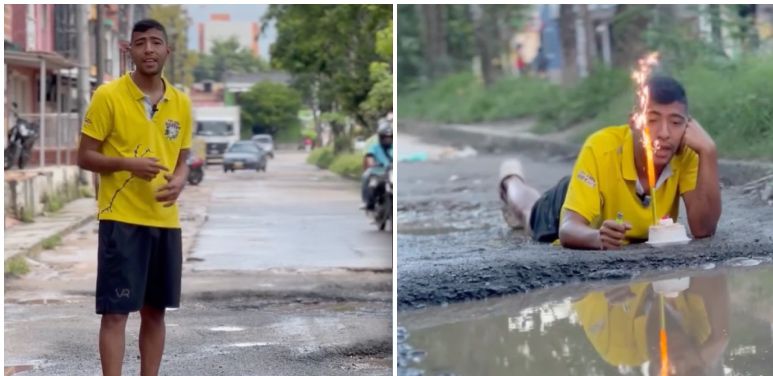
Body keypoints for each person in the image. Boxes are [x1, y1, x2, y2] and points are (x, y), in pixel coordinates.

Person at [77, 19, 192, 376]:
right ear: (129, 50)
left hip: (164, 221)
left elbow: (183, 158)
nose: (149, 49)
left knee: (155, 311)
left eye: (156, 42)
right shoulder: (107, 96)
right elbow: (85, 156)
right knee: (115, 312)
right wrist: (127, 163)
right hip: (121, 220)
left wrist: (181, 181)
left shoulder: (182, 103)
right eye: (140, 43)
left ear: (167, 51)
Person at [499, 75, 721, 249]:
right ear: (633, 121)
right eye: (652, 120)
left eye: (675, 122)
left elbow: (703, 229)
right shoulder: (600, 148)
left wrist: (709, 152)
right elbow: (568, 229)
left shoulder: (687, 153)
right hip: (575, 197)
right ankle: (512, 181)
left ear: (687, 126)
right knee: (528, 214)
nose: (664, 133)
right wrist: (597, 237)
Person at [362, 118, 393, 212]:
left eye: (389, 137)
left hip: (391, 173)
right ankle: (369, 203)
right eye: (385, 137)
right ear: (380, 137)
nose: (387, 140)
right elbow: (369, 157)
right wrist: (372, 164)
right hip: (378, 172)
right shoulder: (374, 147)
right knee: (370, 181)